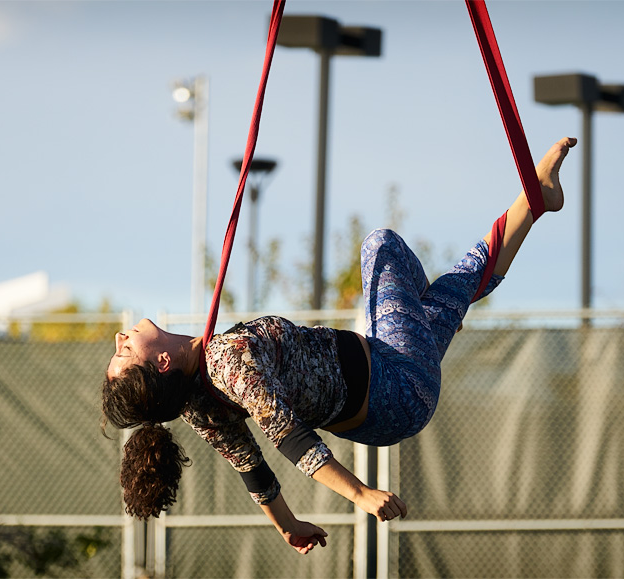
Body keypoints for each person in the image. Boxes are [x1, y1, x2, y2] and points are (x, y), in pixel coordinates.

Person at [102, 137, 577, 555]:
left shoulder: (197, 405)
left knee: (453, 289)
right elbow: (289, 439)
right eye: (124, 352)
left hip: (390, 391)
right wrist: (361, 494)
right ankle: (444, 301)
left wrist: (289, 527)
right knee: (381, 246)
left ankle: (536, 200)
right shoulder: (227, 361)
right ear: (161, 362)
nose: (120, 337)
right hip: (396, 382)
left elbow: (255, 474)